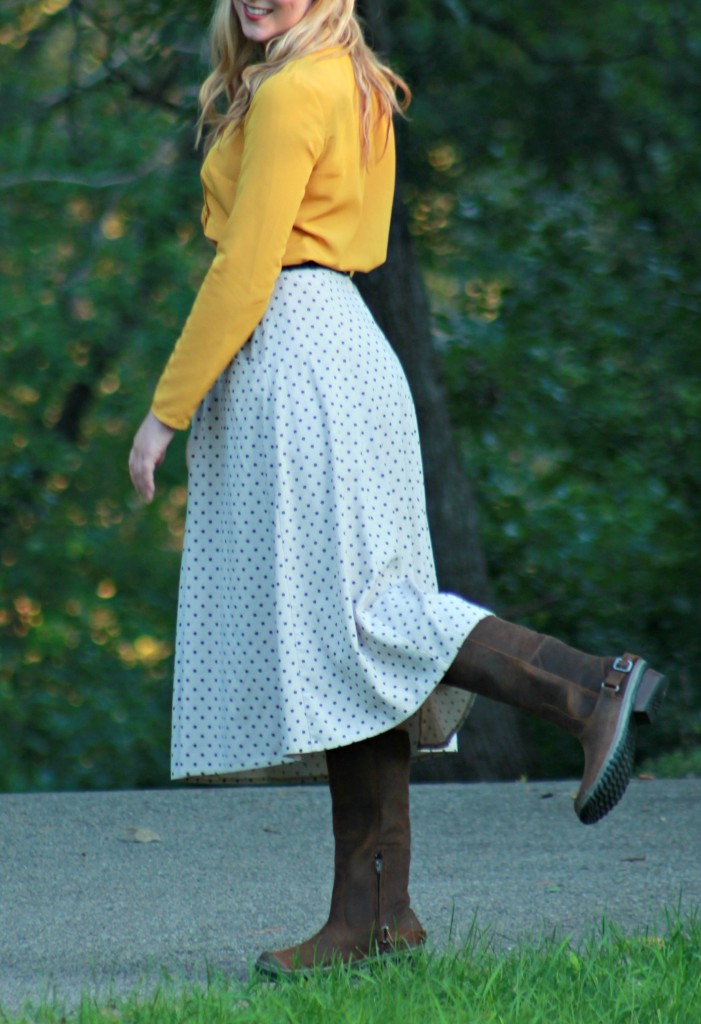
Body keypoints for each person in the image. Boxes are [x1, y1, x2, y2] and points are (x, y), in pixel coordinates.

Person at [128, 0, 668, 977]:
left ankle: (590, 687)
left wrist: (165, 410)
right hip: (341, 347)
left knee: (369, 620)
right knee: (354, 634)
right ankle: (375, 917)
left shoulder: (295, 87)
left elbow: (246, 264)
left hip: (296, 347)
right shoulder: (346, 76)